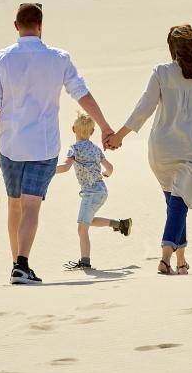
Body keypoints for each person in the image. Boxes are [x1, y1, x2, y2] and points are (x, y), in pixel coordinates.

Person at [0, 3, 117, 284]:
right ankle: (21, 264)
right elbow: (81, 94)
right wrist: (104, 126)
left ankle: (16, 265)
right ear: (41, 26)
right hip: (43, 147)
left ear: (16, 26)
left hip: (11, 146)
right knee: (31, 206)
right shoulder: (59, 58)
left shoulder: (1, 58)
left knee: (15, 205)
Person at [104, 25, 192, 276]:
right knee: (179, 202)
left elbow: (143, 108)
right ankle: (165, 258)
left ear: (172, 49)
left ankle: (181, 261)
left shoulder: (161, 72)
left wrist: (119, 137)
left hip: (162, 151)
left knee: (176, 203)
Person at [54, 111, 133, 270]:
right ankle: (120, 225)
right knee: (87, 221)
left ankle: (85, 261)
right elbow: (110, 168)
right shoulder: (96, 149)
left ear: (73, 129)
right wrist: (106, 174)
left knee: (82, 227)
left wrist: (47, 170)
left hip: (90, 193)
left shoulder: (74, 149)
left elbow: (65, 167)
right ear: (92, 132)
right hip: (102, 191)